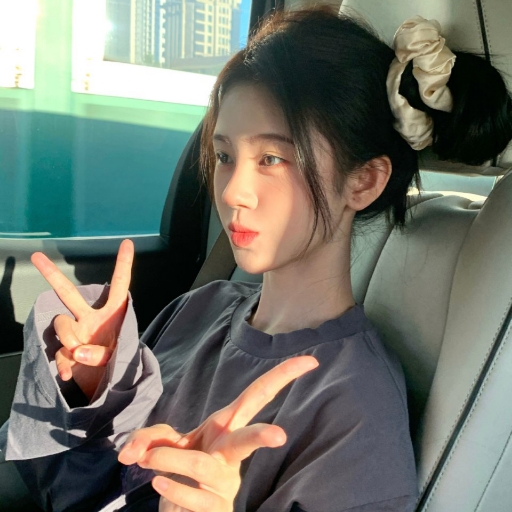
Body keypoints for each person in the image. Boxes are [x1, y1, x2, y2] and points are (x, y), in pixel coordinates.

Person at [2, 6, 512, 512]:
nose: (232, 192)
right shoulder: (199, 308)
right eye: (225, 156)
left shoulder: (356, 408)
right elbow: (82, 490)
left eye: (272, 158)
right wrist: (93, 393)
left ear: (363, 181)